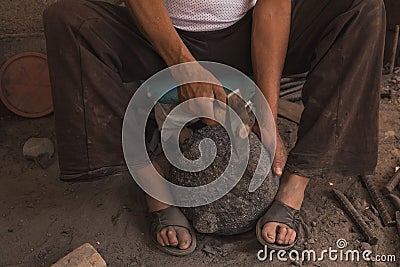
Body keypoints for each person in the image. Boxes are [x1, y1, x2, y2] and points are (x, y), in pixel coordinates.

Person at [43, 0, 386, 256]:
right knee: (67, 21)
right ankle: (154, 188)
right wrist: (183, 67)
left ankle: (294, 184)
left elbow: (273, 6)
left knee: (361, 8)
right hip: (159, 37)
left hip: (248, 32)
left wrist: (266, 114)